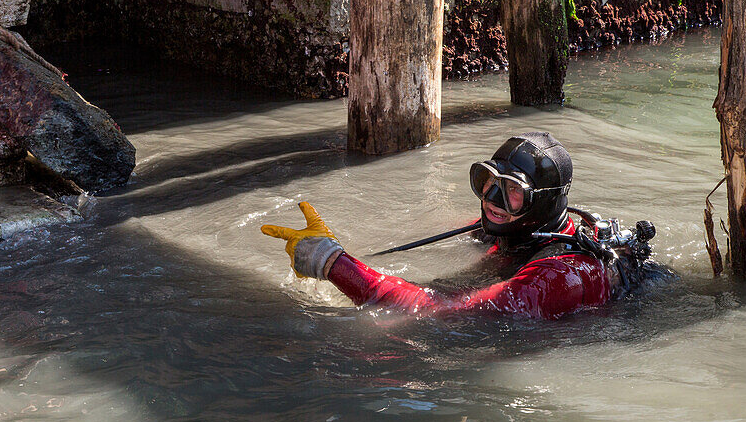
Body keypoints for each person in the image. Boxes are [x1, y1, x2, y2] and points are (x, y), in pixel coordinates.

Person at [262, 132, 635, 320]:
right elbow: (468, 226)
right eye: (487, 182)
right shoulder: (517, 226)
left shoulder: (558, 275)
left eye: (512, 193)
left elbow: (442, 316)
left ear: (543, 202)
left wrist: (334, 263)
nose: (492, 201)